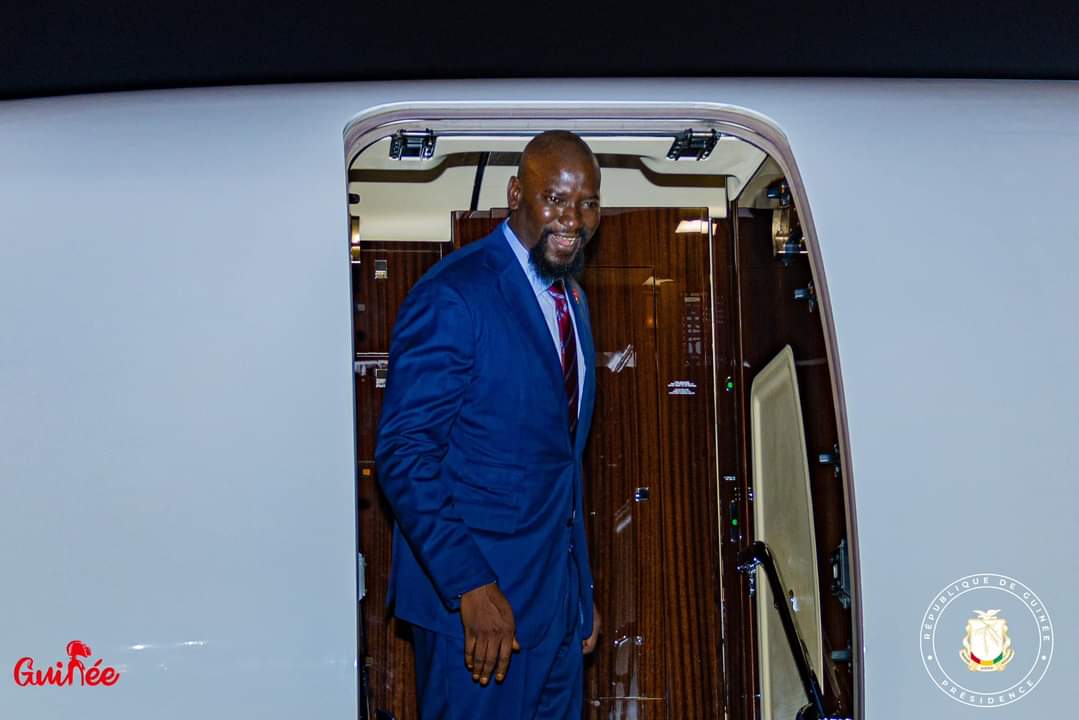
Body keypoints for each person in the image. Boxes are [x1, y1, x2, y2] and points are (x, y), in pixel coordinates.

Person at [375, 130, 602, 719]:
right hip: (478, 611)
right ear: (515, 194)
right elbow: (404, 453)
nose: (572, 219)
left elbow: (563, 466)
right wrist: (470, 584)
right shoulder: (455, 293)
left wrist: (579, 591)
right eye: (555, 198)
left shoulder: (572, 302)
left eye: (587, 203)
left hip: (554, 609)